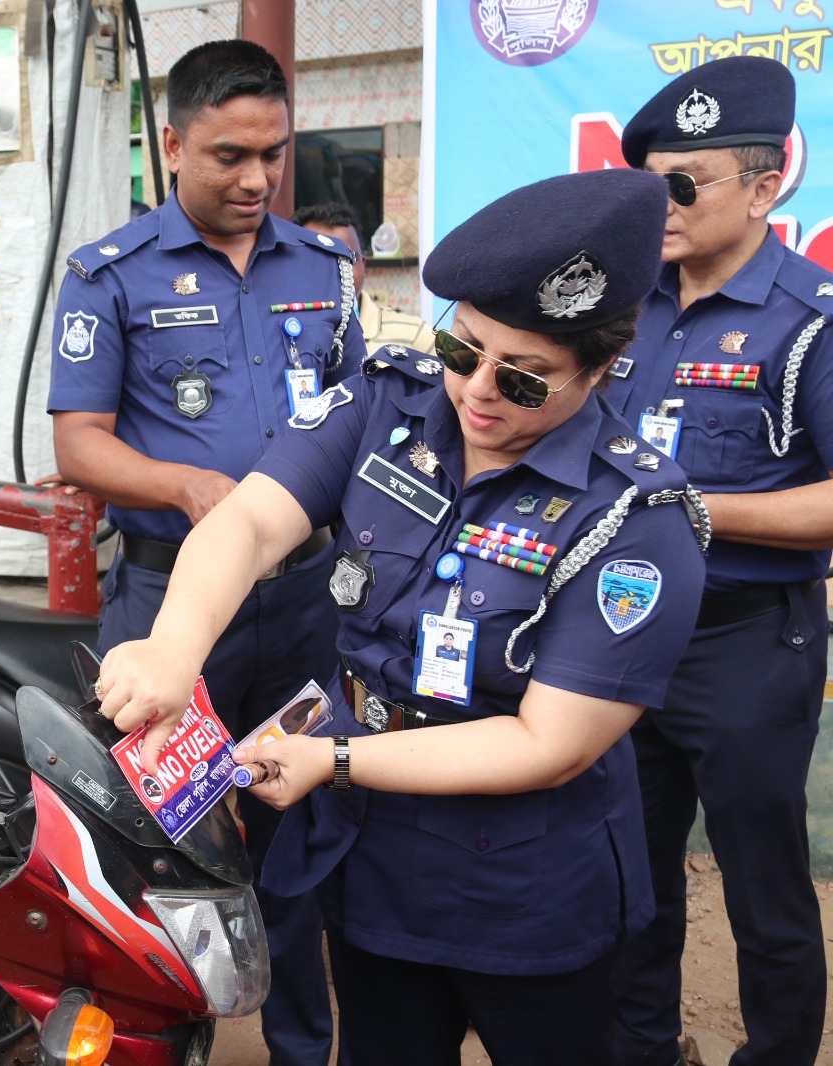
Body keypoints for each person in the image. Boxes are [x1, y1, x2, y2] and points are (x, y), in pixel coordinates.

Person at [94, 168, 708, 1064]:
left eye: (527, 380)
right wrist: (175, 647)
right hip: (372, 853)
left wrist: (334, 758)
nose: (481, 393)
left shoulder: (637, 520)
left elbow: (551, 741)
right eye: (465, 352)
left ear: (605, 366)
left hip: (526, 887)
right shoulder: (389, 399)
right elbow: (254, 519)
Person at [47, 39, 366, 1066]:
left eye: (273, 153)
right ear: (173, 142)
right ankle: (151, 1038)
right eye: (230, 154)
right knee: (155, 830)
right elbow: (77, 442)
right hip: (166, 606)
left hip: (303, 601)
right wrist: (186, 488)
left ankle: (299, 1043)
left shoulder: (322, 269)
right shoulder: (110, 275)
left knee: (298, 818)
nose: (257, 177)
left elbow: (358, 415)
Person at [608, 55, 833, 1066]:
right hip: (618, 634)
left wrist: (696, 509)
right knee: (631, 879)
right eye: (649, 182)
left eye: (682, 183)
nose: (661, 205)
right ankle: (645, 1049)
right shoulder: (620, 303)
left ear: (763, 181)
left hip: (746, 643)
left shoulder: (809, 322)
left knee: (763, 890)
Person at [295, 200, 435, 354]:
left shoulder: (414, 337)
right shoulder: (280, 336)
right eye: (318, 261)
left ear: (363, 266)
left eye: (347, 259)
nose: (336, 272)